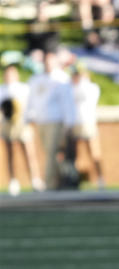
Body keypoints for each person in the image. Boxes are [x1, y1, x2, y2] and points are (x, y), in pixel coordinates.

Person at [26, 50, 73, 190]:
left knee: (52, 152)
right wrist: (27, 116)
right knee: (49, 153)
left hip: (56, 120)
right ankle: (61, 181)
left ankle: (48, 184)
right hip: (41, 121)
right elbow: (31, 100)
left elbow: (68, 102)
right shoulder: (36, 79)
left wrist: (69, 122)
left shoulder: (62, 79)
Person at [1, 64, 43, 195]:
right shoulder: (1, 90)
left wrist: (28, 118)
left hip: (22, 123)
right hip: (7, 125)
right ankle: (13, 181)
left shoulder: (24, 88)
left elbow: (31, 105)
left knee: (29, 152)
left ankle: (35, 180)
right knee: (10, 154)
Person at [68, 63, 105, 189]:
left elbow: (86, 94)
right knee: (75, 155)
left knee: (94, 152)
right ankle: (75, 180)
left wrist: (82, 78)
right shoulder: (71, 88)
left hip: (88, 122)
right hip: (74, 123)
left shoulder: (91, 87)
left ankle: (100, 179)